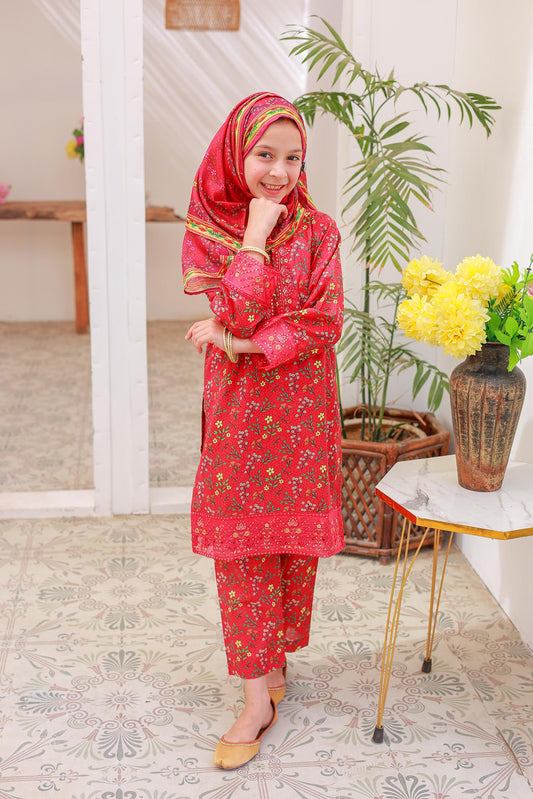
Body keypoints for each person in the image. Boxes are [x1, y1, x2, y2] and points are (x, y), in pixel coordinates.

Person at [183, 92, 344, 769]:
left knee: (289, 548)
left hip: (302, 415)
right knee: (241, 550)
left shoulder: (319, 230)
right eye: (264, 155)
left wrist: (239, 345)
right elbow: (241, 310)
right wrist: (252, 235)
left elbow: (324, 321)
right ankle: (256, 701)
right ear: (234, 153)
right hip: (239, 417)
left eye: (293, 158)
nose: (279, 172)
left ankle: (272, 664)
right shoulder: (211, 229)